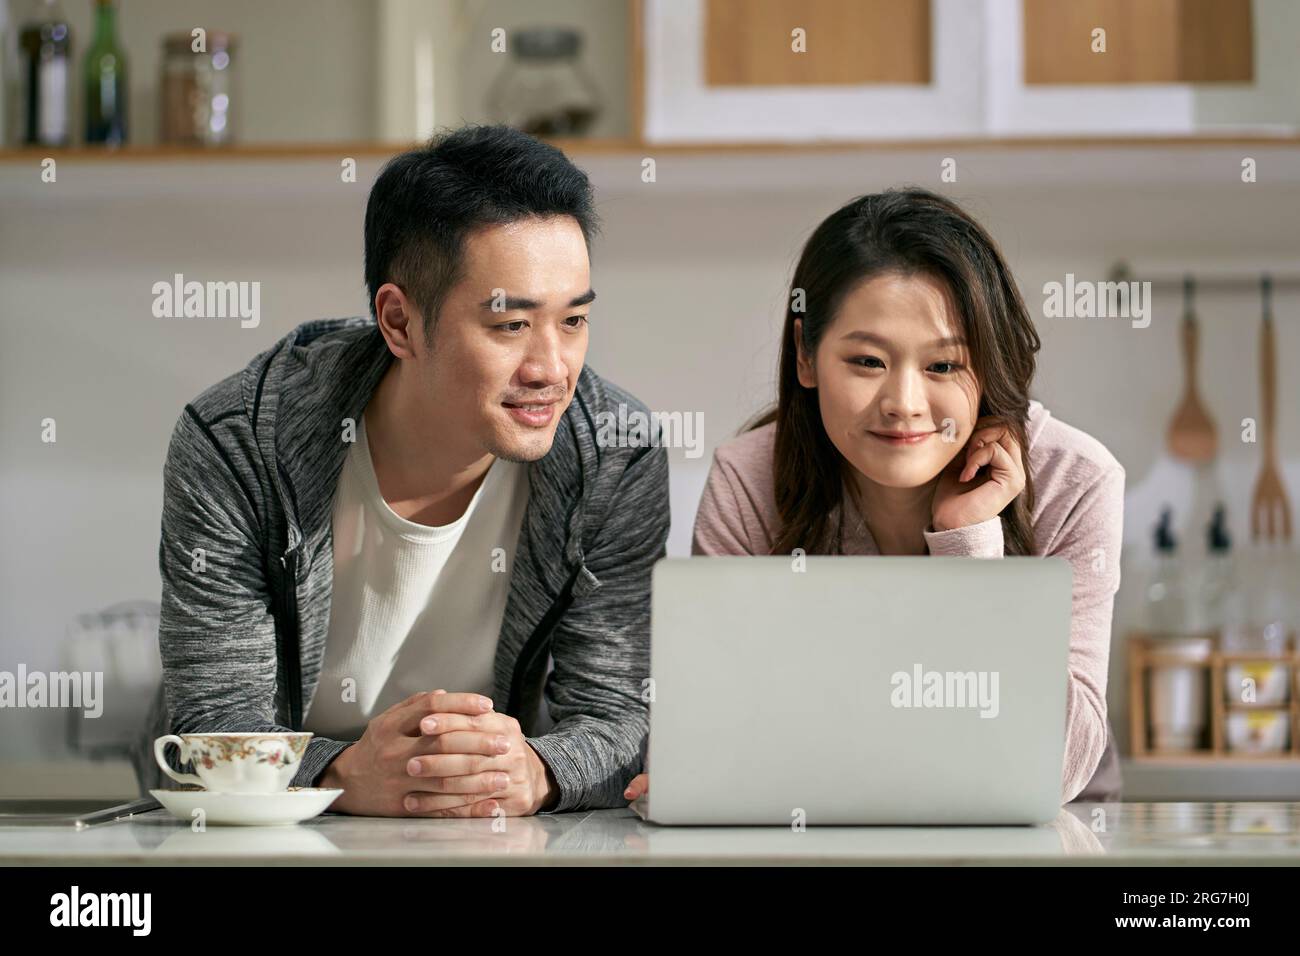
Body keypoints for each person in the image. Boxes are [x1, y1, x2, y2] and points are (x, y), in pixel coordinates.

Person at [132, 125, 670, 817]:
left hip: (482, 832)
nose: (551, 369)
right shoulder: (238, 444)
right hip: (258, 835)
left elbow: (618, 718)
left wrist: (537, 769)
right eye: (510, 326)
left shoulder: (616, 457)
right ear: (399, 322)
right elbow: (213, 723)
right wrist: (341, 775)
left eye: (572, 321)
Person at [624, 187, 1124, 807]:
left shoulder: (1073, 478)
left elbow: (1059, 765)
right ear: (807, 354)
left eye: (943, 366)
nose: (904, 404)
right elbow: (707, 729)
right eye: (866, 361)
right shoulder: (750, 479)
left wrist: (968, 547)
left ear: (989, 365)